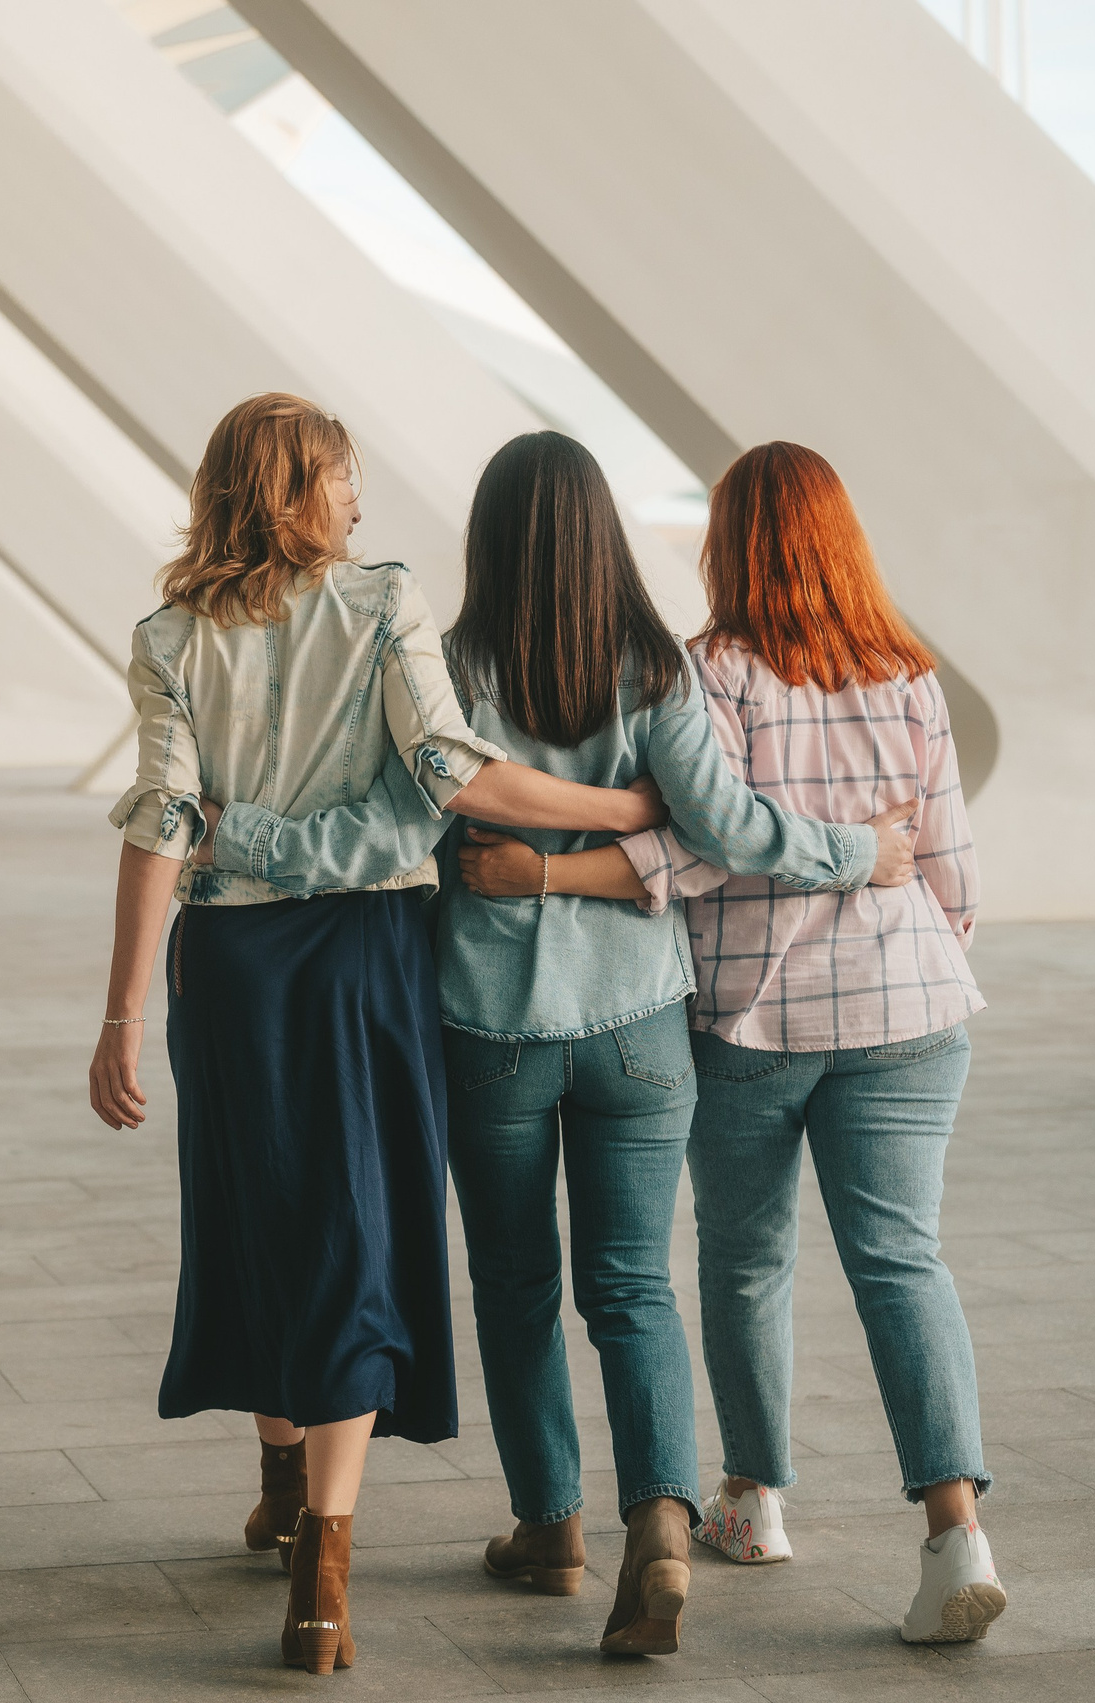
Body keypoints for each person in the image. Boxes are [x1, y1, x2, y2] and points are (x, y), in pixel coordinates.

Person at [190, 430, 913, 1658]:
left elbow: (401, 825)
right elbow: (729, 826)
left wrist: (237, 837)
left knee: (516, 1287)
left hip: (487, 1028)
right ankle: (662, 1530)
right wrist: (859, 853)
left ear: (491, 536)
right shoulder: (655, 668)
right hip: (638, 1027)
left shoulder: (448, 659)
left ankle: (548, 1524)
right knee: (632, 1286)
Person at [89, 397, 675, 1675]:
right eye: (344, 478)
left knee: (257, 1209)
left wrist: (121, 1013)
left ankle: (281, 1477)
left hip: (230, 967)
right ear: (298, 491)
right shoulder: (380, 604)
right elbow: (454, 774)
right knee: (353, 1222)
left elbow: (160, 822)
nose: (360, 500)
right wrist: (625, 804)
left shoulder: (168, 637)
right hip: (363, 959)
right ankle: (321, 1580)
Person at [461, 441, 999, 1643]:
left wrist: (548, 873)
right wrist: (903, 927)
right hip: (911, 1007)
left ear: (730, 543)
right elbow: (950, 869)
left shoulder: (716, 670)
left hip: (754, 1017)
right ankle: (955, 1526)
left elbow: (705, 844)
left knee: (746, 1260)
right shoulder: (910, 671)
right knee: (902, 1260)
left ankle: (752, 1499)